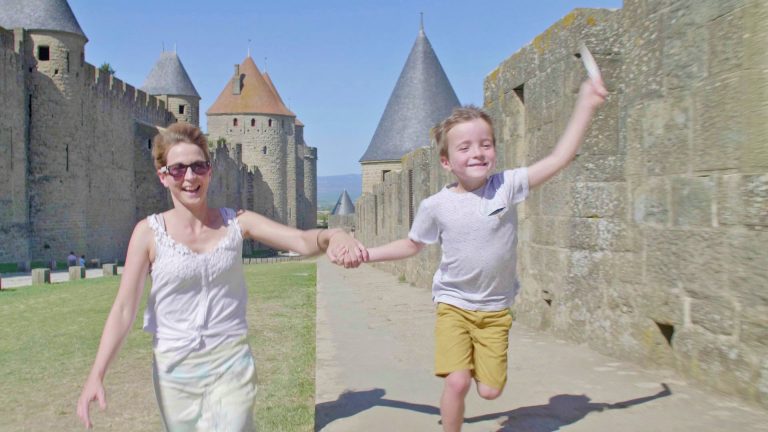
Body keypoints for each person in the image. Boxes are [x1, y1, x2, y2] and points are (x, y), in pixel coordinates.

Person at [76, 122, 365, 430]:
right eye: (178, 169)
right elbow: (123, 309)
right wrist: (97, 373)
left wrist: (333, 234)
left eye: (198, 167)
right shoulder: (148, 233)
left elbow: (300, 240)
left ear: (210, 171)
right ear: (163, 177)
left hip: (231, 363)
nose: (190, 177)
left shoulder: (237, 223)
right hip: (175, 371)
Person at [363, 77, 607, 431]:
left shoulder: (506, 187)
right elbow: (412, 245)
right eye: (464, 148)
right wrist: (366, 254)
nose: (477, 153)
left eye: (485, 144)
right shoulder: (435, 206)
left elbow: (559, 158)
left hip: (495, 310)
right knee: (457, 382)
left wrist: (586, 103)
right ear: (446, 161)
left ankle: (474, 369)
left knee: (490, 391)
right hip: (454, 304)